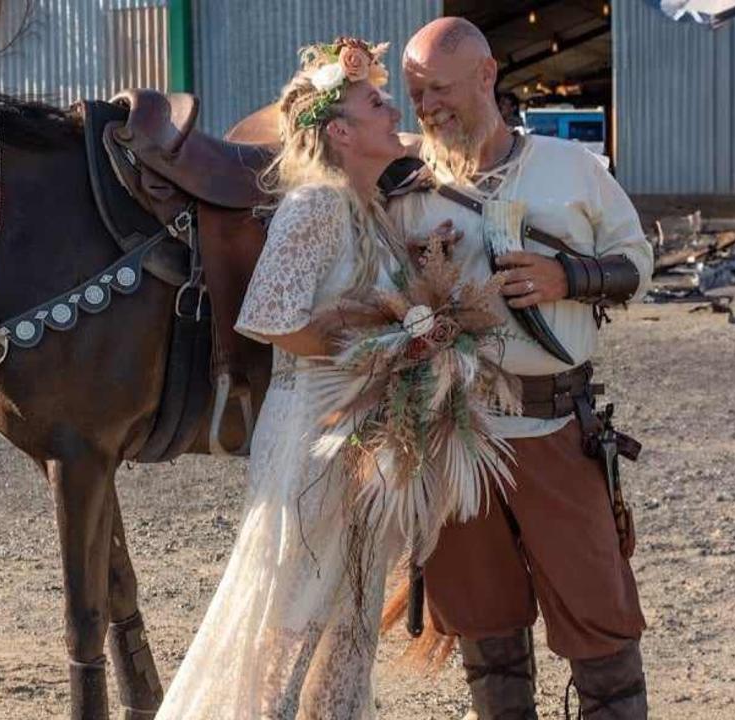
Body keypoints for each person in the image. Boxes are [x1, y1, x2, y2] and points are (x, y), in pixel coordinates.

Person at [389, 17, 654, 720]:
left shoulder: (572, 171)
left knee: (601, 626)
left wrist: (569, 275)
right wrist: (418, 276)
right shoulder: (407, 190)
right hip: (457, 441)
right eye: (416, 95)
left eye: (440, 89)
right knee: (486, 631)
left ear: (487, 77)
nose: (429, 108)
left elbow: (638, 263)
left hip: (555, 431)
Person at [155, 37, 423, 719]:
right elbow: (269, 316)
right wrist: (372, 351)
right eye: (376, 101)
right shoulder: (317, 206)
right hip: (313, 436)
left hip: (362, 434)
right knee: (297, 609)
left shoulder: (372, 211)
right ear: (339, 131)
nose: (394, 107)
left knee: (353, 615)